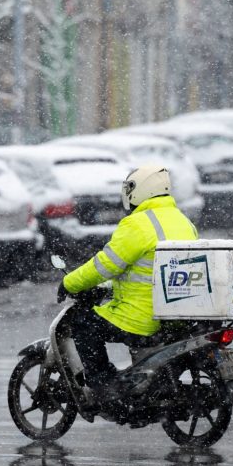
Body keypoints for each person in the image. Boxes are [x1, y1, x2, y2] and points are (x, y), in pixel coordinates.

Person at [58, 163, 198, 400]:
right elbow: (150, 270)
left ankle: (103, 386)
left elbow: (105, 265)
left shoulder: (138, 223)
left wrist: (70, 283)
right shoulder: (183, 221)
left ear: (140, 190)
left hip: (142, 318)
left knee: (83, 324)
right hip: (175, 314)